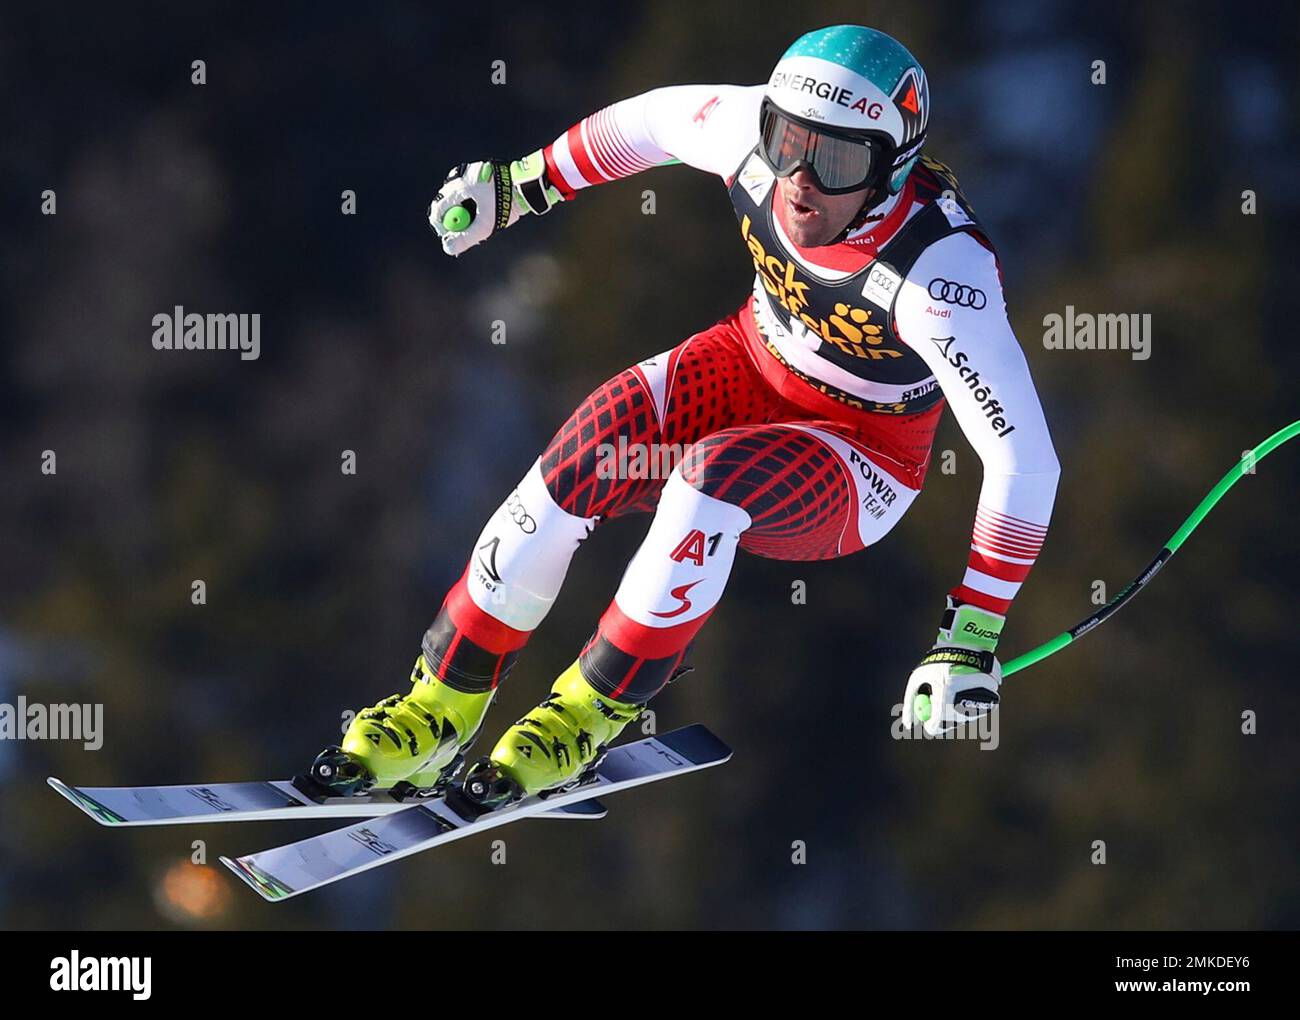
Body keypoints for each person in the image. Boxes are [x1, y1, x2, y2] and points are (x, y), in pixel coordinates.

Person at [314, 24, 1060, 807]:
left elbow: (1024, 459)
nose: (799, 179)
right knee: (590, 447)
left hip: (860, 456)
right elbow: (646, 124)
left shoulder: (941, 275)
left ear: (891, 168)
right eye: (787, 140)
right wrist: (519, 187)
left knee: (711, 483)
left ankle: (586, 712)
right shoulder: (748, 138)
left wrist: (970, 635)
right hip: (747, 363)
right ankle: (441, 706)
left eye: (835, 159)